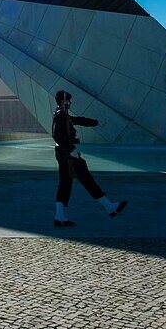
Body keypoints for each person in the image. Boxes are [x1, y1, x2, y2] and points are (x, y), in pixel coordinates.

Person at [51, 90, 127, 227]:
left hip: (64, 153)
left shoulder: (61, 114)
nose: (70, 103)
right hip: (68, 155)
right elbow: (57, 135)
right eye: (68, 101)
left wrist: (94, 122)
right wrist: (71, 150)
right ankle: (109, 207)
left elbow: (76, 120)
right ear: (63, 101)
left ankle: (59, 216)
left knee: (66, 183)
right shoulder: (61, 116)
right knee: (86, 179)